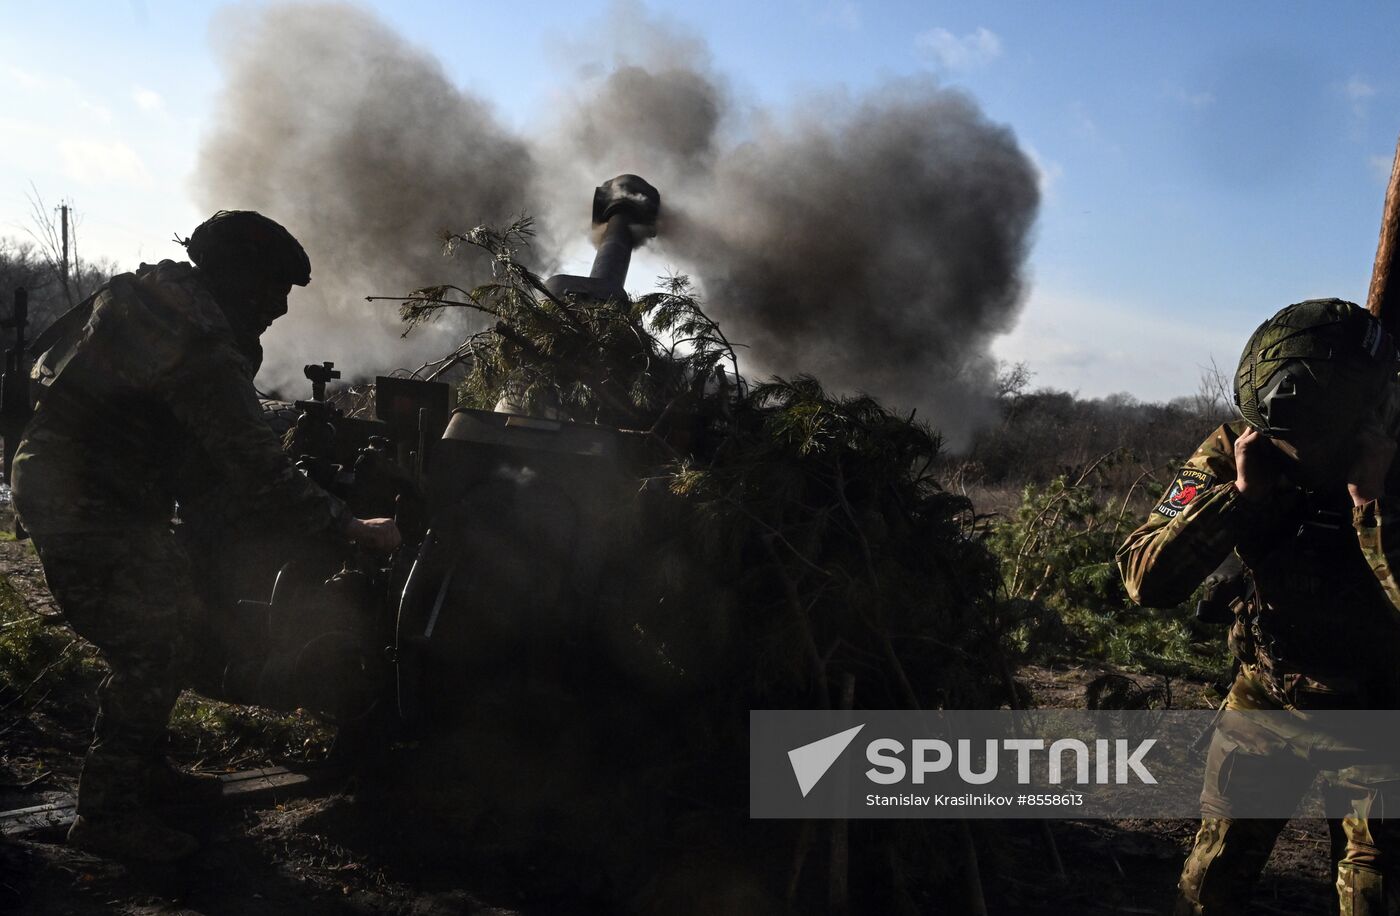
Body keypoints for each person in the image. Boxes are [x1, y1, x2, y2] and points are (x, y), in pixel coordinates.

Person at [10, 210, 401, 861]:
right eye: (274, 289)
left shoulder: (153, 299)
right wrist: (351, 525)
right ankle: (108, 815)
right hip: (85, 500)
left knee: (171, 611)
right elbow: (255, 466)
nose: (279, 308)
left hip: (79, 484)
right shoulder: (196, 346)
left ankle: (141, 771)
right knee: (156, 635)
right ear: (240, 279)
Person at [1117, 298, 1400, 915]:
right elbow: (1143, 578)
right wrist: (1239, 497)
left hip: (1379, 717)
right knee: (1209, 883)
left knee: (1373, 893)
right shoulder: (1242, 446)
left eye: (1307, 442)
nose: (1292, 451)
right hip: (1267, 694)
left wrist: (1372, 506)